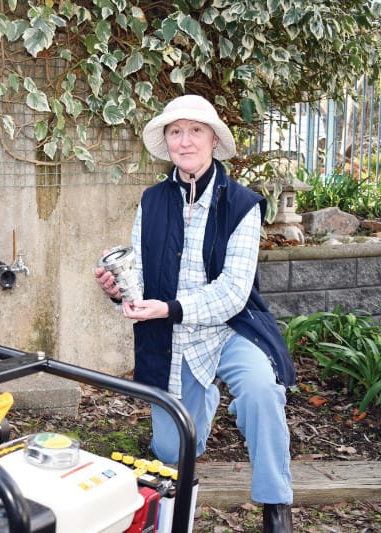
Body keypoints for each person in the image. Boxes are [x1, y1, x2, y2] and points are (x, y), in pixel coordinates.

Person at [94, 94, 296, 533]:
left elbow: (233, 292)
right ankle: (199, 404)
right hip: (173, 335)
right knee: (172, 451)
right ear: (167, 142)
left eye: (195, 131)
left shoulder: (244, 205)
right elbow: (143, 276)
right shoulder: (151, 201)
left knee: (262, 391)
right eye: (175, 132)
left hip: (231, 328)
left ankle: (276, 504)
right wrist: (119, 290)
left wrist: (171, 307)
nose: (184, 141)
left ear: (212, 140)